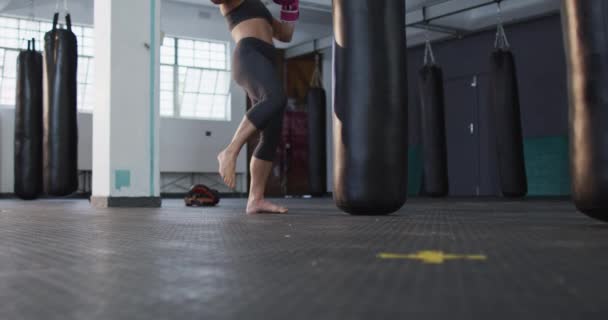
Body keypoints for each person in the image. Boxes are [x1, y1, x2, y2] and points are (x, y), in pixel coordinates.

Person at [211, 0, 298, 214]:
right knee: (275, 98)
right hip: (249, 56)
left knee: (271, 133)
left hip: (267, 60)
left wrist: (291, 6)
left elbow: (285, 35)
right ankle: (230, 152)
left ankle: (255, 199)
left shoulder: (262, 10)